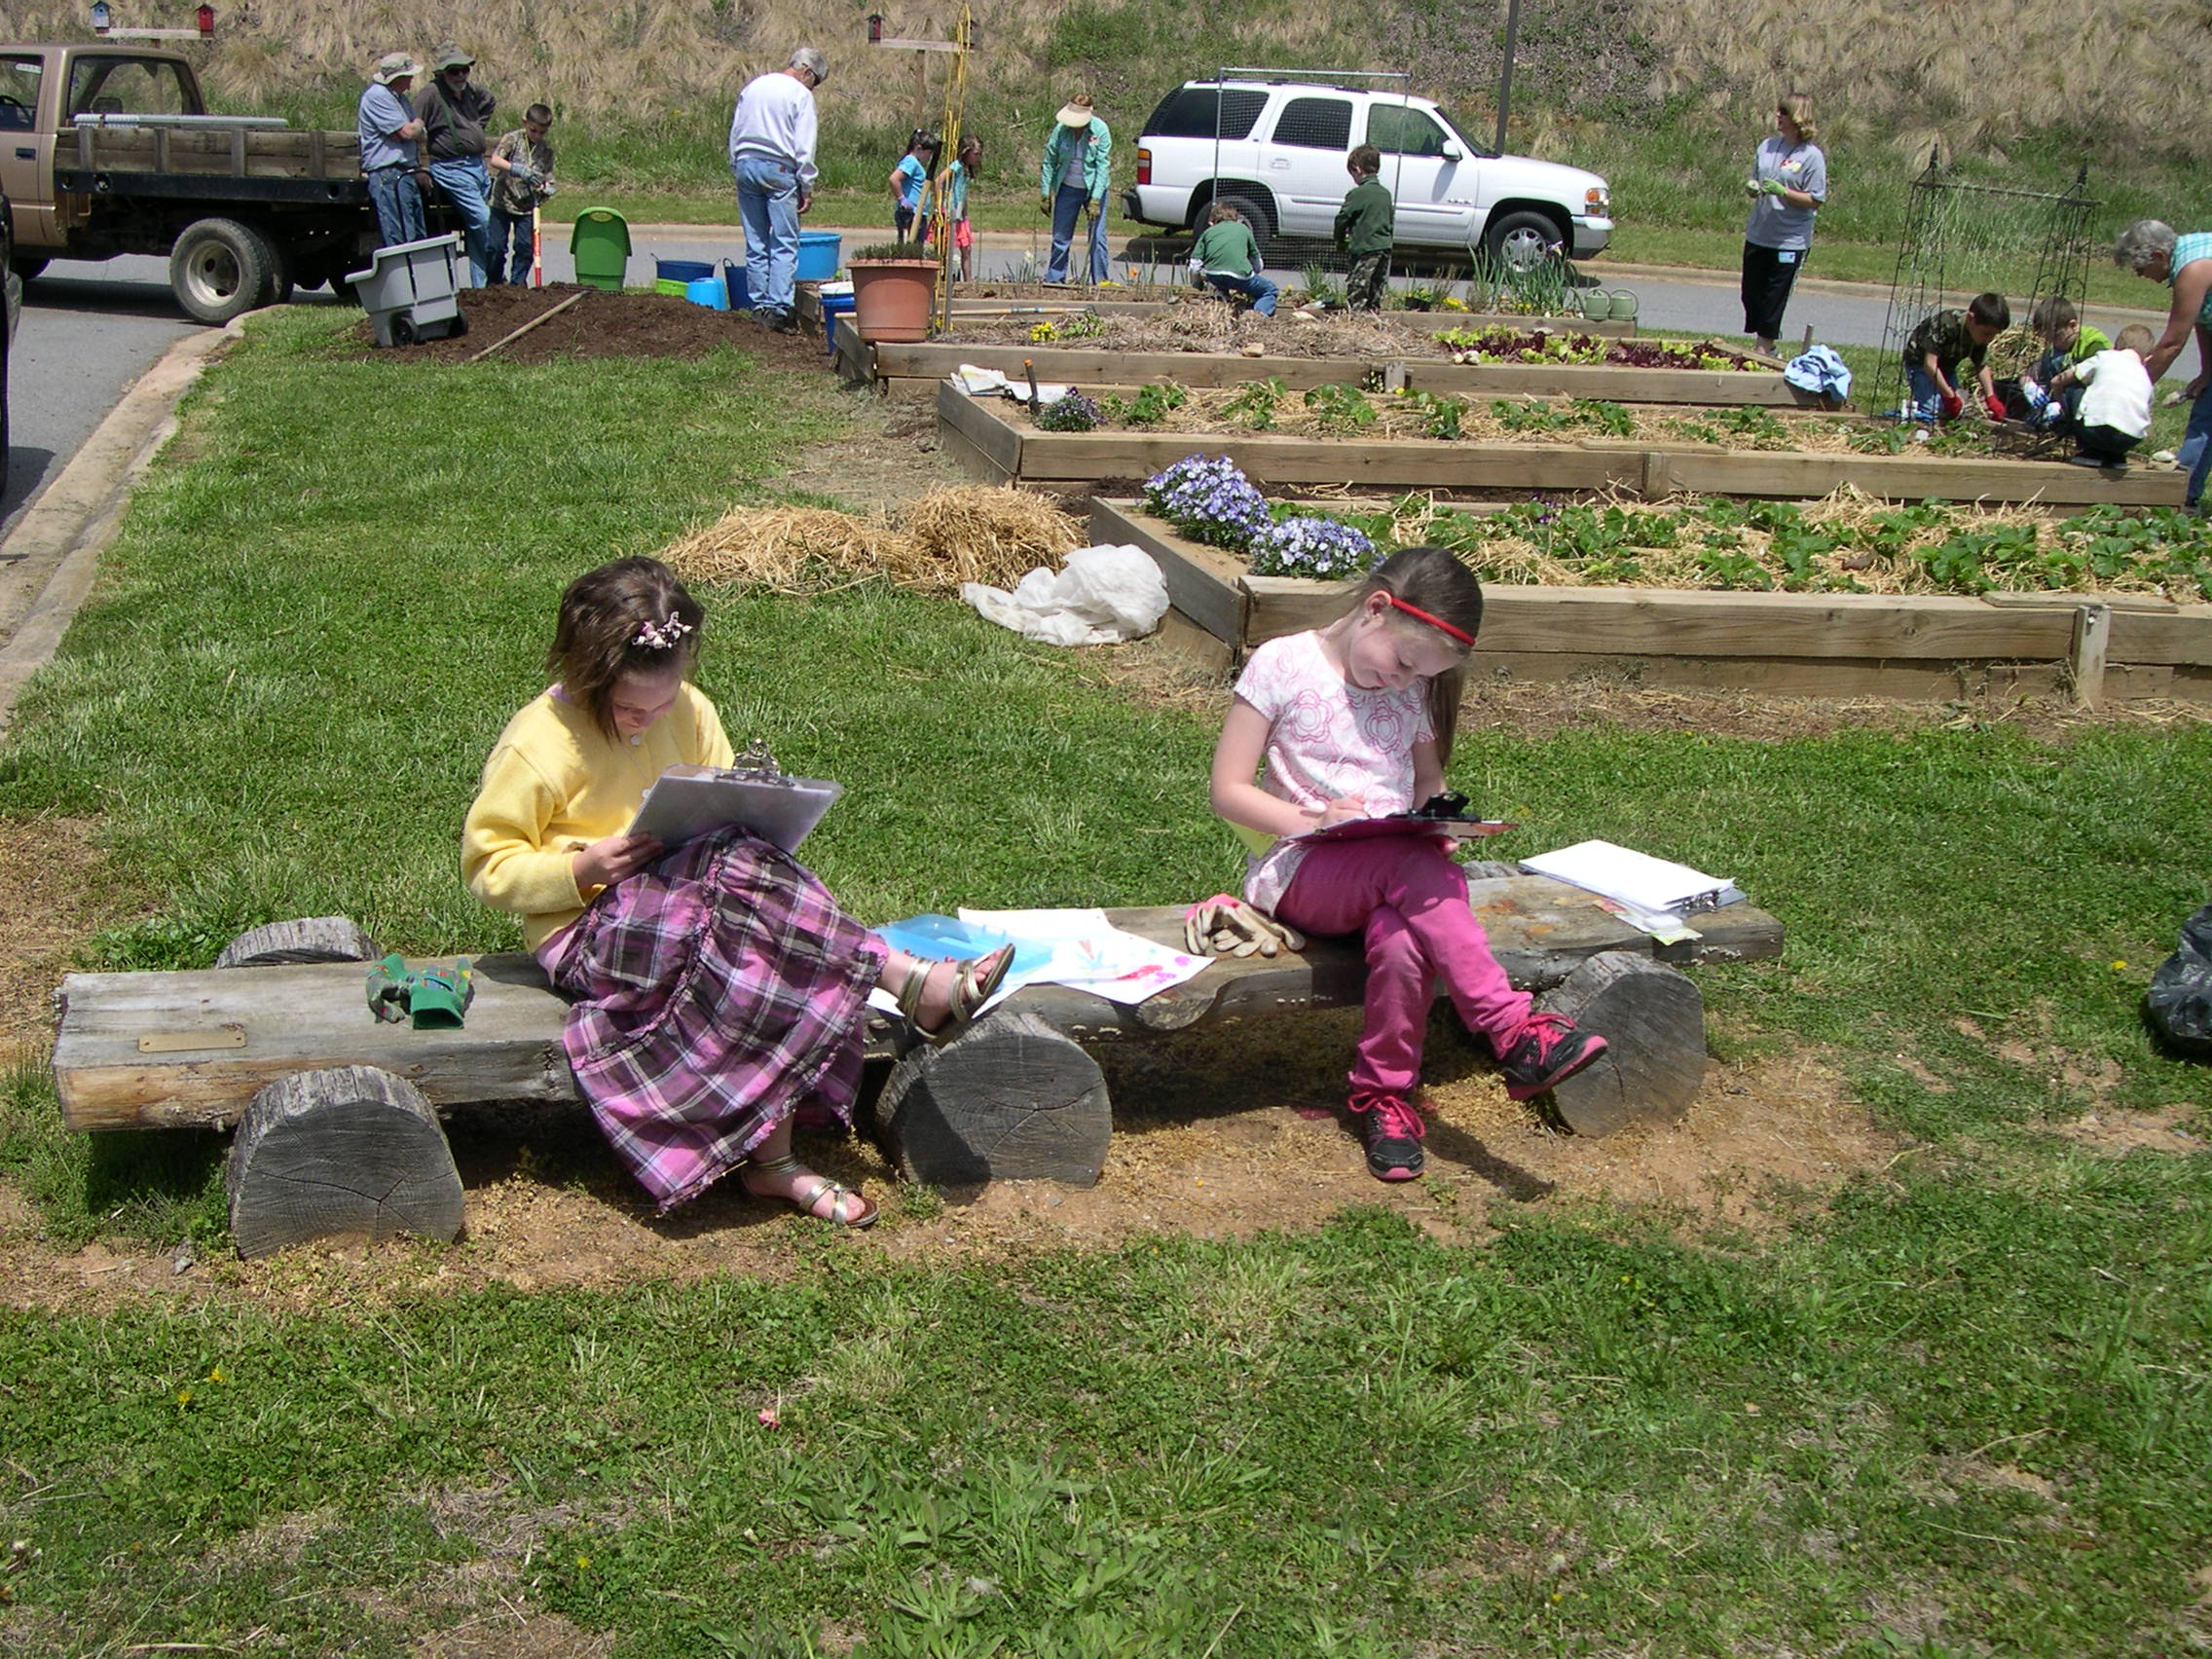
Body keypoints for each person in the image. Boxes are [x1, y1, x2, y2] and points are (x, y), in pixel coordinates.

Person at [462, 557, 1014, 1227]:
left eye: (663, 702)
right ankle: (907, 980)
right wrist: (582, 868)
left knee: (759, 936)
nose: (649, 720)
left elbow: (725, 807)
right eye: (630, 708)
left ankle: (773, 1164)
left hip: (696, 902)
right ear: (586, 675)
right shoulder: (537, 743)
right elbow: (488, 867)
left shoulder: (689, 709)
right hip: (587, 931)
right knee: (751, 901)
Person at [1206, 546, 1609, 1182]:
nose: (1402, 683)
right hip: (1302, 870)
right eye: (1401, 663)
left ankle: (1384, 1096)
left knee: (1402, 943)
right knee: (1410, 866)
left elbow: (1426, 783)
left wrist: (1438, 820)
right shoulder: (1282, 663)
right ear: (1376, 609)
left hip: (1393, 876)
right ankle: (1511, 1029)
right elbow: (1228, 791)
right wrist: (1314, 820)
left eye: (1419, 675)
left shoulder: (1411, 687)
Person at [2116, 219, 2212, 512]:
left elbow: (2171, 344)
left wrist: (2133, 387)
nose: (2140, 274)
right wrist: (2207, 370)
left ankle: (2181, 498)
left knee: (2206, 418)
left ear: (2158, 255)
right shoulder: (2190, 251)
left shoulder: (2192, 269)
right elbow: (2202, 318)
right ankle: (2183, 495)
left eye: (2140, 268)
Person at [729, 46, 828, 333]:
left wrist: (737, 164)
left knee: (756, 240)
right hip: (779, 168)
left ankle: (758, 305)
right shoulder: (800, 95)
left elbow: (736, 129)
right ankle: (779, 308)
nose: (813, 88)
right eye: (815, 82)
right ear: (807, 72)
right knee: (784, 242)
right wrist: (806, 185)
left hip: (746, 162)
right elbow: (804, 146)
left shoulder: (755, 86)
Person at [1739, 92, 1826, 356]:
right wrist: (1753, 187)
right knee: (1751, 294)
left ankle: (1764, 348)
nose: (1777, 116)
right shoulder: (1767, 146)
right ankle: (1765, 343)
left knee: (1773, 297)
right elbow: (1756, 177)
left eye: (1784, 112)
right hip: (1760, 233)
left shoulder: (1811, 156)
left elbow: (1815, 200)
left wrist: (1783, 192)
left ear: (1797, 117)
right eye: (1778, 111)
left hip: (1790, 239)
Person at [414, 43, 497, 286]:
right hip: (451, 168)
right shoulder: (431, 93)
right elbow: (413, 128)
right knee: (484, 219)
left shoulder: (469, 91)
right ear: (442, 73)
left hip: (477, 167)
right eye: (454, 71)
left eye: (464, 70)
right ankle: (492, 276)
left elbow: (489, 100)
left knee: (476, 229)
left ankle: (482, 286)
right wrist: (421, 165)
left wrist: (474, 127)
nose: (460, 75)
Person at [2048, 323, 2156, 469]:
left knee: (2075, 386)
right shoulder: (2146, 379)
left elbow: (2058, 380)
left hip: (2096, 431)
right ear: (2148, 358)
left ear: (2114, 347)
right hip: (2130, 438)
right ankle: (2116, 456)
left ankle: (2090, 451)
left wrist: (2059, 402)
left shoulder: (2104, 357)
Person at [1901, 291, 2009, 424]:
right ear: (1970, 318)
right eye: (1986, 334)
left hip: (1947, 366)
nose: (1990, 339)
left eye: (1994, 335)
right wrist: (1949, 396)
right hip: (1920, 364)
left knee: (1957, 411)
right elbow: (1929, 365)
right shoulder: (1946, 324)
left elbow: (1981, 366)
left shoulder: (1978, 335)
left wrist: (1991, 397)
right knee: (1933, 410)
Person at [356, 52, 426, 249]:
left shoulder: (400, 99)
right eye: (408, 76)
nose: (411, 80)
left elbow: (418, 133)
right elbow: (408, 132)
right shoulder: (378, 96)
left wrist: (416, 128)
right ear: (397, 77)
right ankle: (403, 268)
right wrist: (416, 125)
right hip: (388, 173)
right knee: (400, 237)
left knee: (415, 235)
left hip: (405, 171)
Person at [1040, 94, 1111, 284]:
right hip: (1067, 187)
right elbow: (1049, 161)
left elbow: (1102, 166)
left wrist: (1096, 198)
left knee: (1097, 237)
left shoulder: (1100, 129)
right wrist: (1045, 193)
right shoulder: (1061, 130)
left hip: (1093, 189)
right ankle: (1055, 279)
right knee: (1060, 237)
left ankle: (1100, 280)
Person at [486, 103, 556, 287]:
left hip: (526, 206)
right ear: (525, 123)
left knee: (524, 247)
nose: (537, 135)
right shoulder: (513, 139)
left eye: (542, 132)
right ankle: (494, 281)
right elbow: (495, 160)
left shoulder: (546, 150)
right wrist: (516, 169)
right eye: (533, 130)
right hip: (502, 202)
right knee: (495, 247)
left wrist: (547, 187)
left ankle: (517, 284)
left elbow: (548, 176)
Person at [2023, 297, 2112, 426]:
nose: (2052, 343)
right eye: (2047, 339)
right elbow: (2031, 372)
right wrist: (2027, 384)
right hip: (2058, 400)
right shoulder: (2055, 346)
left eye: (2055, 337)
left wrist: (2063, 405)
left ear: (2072, 325)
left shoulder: (2093, 344)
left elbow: (2102, 382)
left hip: (2089, 407)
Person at [1189, 201, 1276, 316]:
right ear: (1236, 218)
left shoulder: (1207, 232)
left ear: (1212, 222)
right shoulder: (1244, 229)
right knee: (1270, 290)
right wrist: (1254, 275)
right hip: (1239, 275)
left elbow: (1194, 265)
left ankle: (1221, 295)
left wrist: (1197, 285)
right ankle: (1257, 314)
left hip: (1213, 274)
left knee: (1222, 278)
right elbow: (1256, 261)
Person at [1335, 145, 1394, 312]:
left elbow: (1342, 219)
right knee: (1376, 287)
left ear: (1357, 169)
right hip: (1384, 247)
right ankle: (1373, 315)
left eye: (1352, 174)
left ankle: (1356, 318)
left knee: (1358, 288)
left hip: (1365, 248)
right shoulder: (1386, 194)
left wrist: (1340, 240)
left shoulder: (1357, 194)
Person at [929, 135, 982, 279]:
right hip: (948, 211)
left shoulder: (966, 169)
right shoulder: (956, 166)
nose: (978, 158)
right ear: (966, 152)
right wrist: (939, 204)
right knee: (945, 249)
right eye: (975, 154)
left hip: (960, 214)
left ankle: (968, 282)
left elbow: (963, 193)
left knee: (966, 249)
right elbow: (938, 181)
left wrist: (965, 212)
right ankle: (942, 277)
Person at [890, 130, 936, 244]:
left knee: (915, 247)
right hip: (911, 214)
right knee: (913, 249)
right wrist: (902, 199)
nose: (930, 157)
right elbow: (894, 179)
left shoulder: (915, 163)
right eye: (929, 153)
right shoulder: (911, 162)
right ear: (919, 148)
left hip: (917, 213)